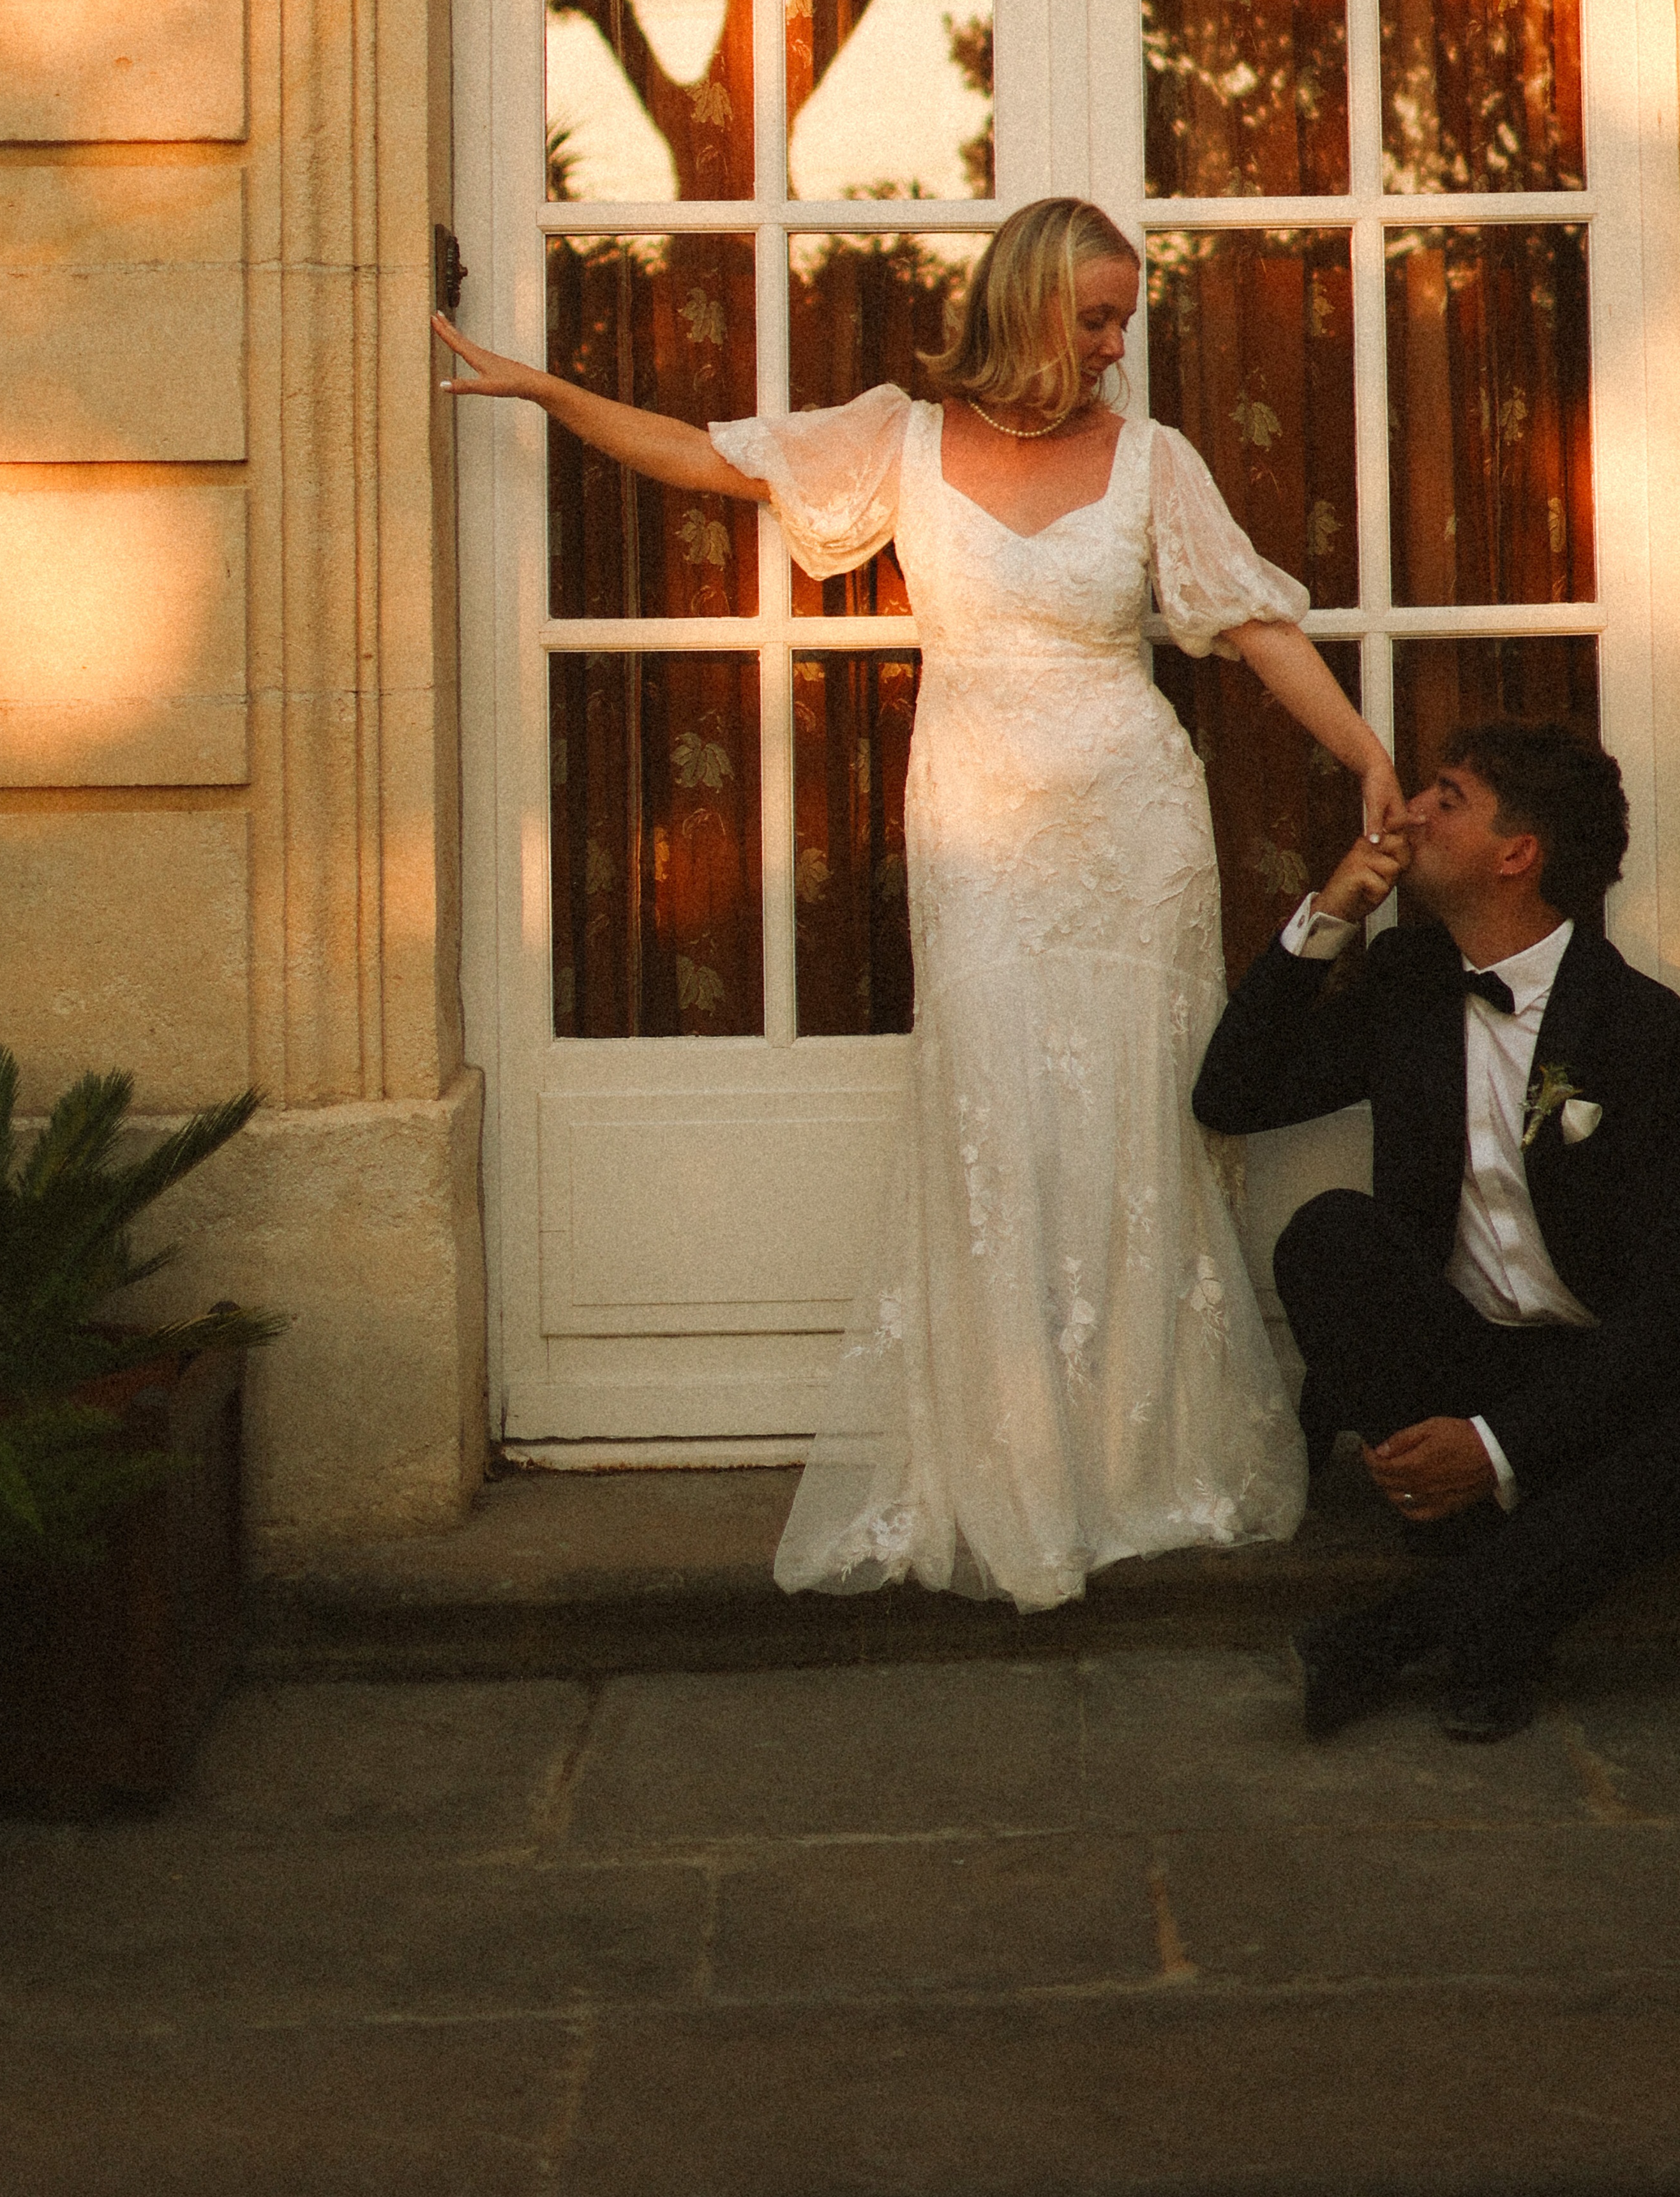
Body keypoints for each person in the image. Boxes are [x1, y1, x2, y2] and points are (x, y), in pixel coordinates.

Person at [436, 197, 1401, 1609]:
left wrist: (1367, 754)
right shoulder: (900, 437)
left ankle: (1140, 1459)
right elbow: (707, 462)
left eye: (1124, 317)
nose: (1116, 345)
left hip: (1133, 830)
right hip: (980, 831)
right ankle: (1010, 1462)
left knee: (1136, 1118)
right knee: (997, 1116)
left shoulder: (1154, 461)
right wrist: (540, 387)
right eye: (1093, 317)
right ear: (1020, 308)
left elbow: (1253, 625)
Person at [1193, 717, 1680, 1743]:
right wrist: (1330, 915)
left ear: (1517, 855)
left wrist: (1499, 1445)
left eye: (1447, 798)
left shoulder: (1652, 1039)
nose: (1411, 814)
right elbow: (1234, 1093)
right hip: (1467, 1354)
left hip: (1612, 1384)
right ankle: (1491, 1579)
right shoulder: (1410, 983)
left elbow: (1666, 1304)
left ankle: (1433, 1631)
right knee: (1329, 1238)